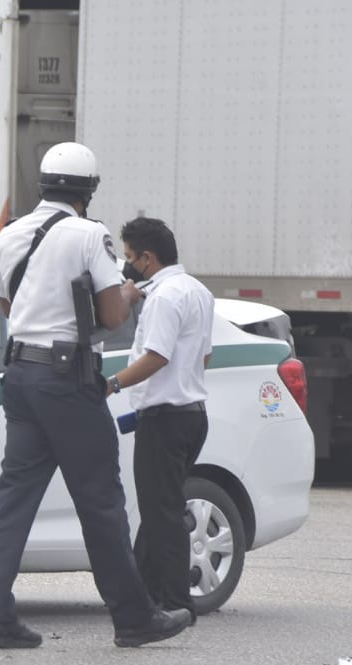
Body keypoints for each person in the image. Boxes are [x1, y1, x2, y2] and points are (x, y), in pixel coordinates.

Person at [0, 142, 193, 649]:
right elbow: (112, 317)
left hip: (20, 375)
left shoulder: (10, 233)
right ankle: (134, 618)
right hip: (67, 379)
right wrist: (128, 294)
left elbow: (8, 306)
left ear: (43, 184)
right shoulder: (90, 234)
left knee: (12, 500)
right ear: (88, 192)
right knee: (101, 502)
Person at [108, 217, 214, 620]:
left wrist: (112, 384)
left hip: (165, 419)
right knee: (158, 508)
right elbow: (204, 356)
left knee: (163, 513)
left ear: (148, 258)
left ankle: (175, 602)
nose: (127, 264)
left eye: (130, 257)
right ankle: (142, 595)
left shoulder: (165, 297)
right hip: (192, 416)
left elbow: (156, 357)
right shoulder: (198, 291)